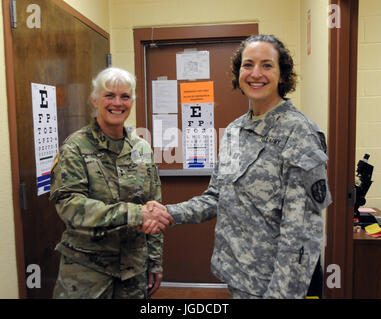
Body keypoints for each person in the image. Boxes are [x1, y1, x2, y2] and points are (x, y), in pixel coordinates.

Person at [145, 34, 332, 298]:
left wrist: (280, 294)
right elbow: (216, 197)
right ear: (238, 73)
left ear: (282, 76)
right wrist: (168, 213)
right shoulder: (235, 130)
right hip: (238, 277)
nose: (256, 73)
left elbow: (302, 234)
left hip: (275, 286)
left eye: (267, 65)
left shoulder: (299, 132)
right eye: (248, 64)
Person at [49, 66, 173, 299]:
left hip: (133, 272)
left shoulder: (141, 148)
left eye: (125, 96)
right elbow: (70, 206)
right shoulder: (75, 148)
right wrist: (135, 214)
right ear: (95, 100)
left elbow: (154, 205)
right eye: (109, 95)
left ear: (132, 101)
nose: (117, 103)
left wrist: (155, 261)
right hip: (87, 273)